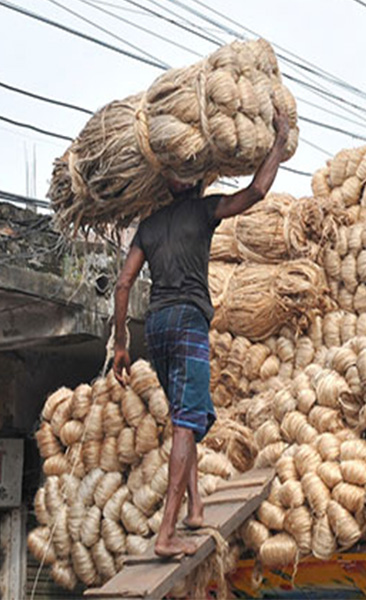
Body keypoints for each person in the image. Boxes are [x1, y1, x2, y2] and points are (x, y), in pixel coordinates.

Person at [112, 107, 290, 557]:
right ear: (195, 181)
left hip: (156, 325)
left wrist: (120, 342)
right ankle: (167, 534)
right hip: (189, 320)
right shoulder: (204, 212)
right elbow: (257, 190)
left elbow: (123, 282)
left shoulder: (149, 227)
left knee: (184, 418)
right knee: (186, 425)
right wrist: (278, 143)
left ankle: (194, 507)